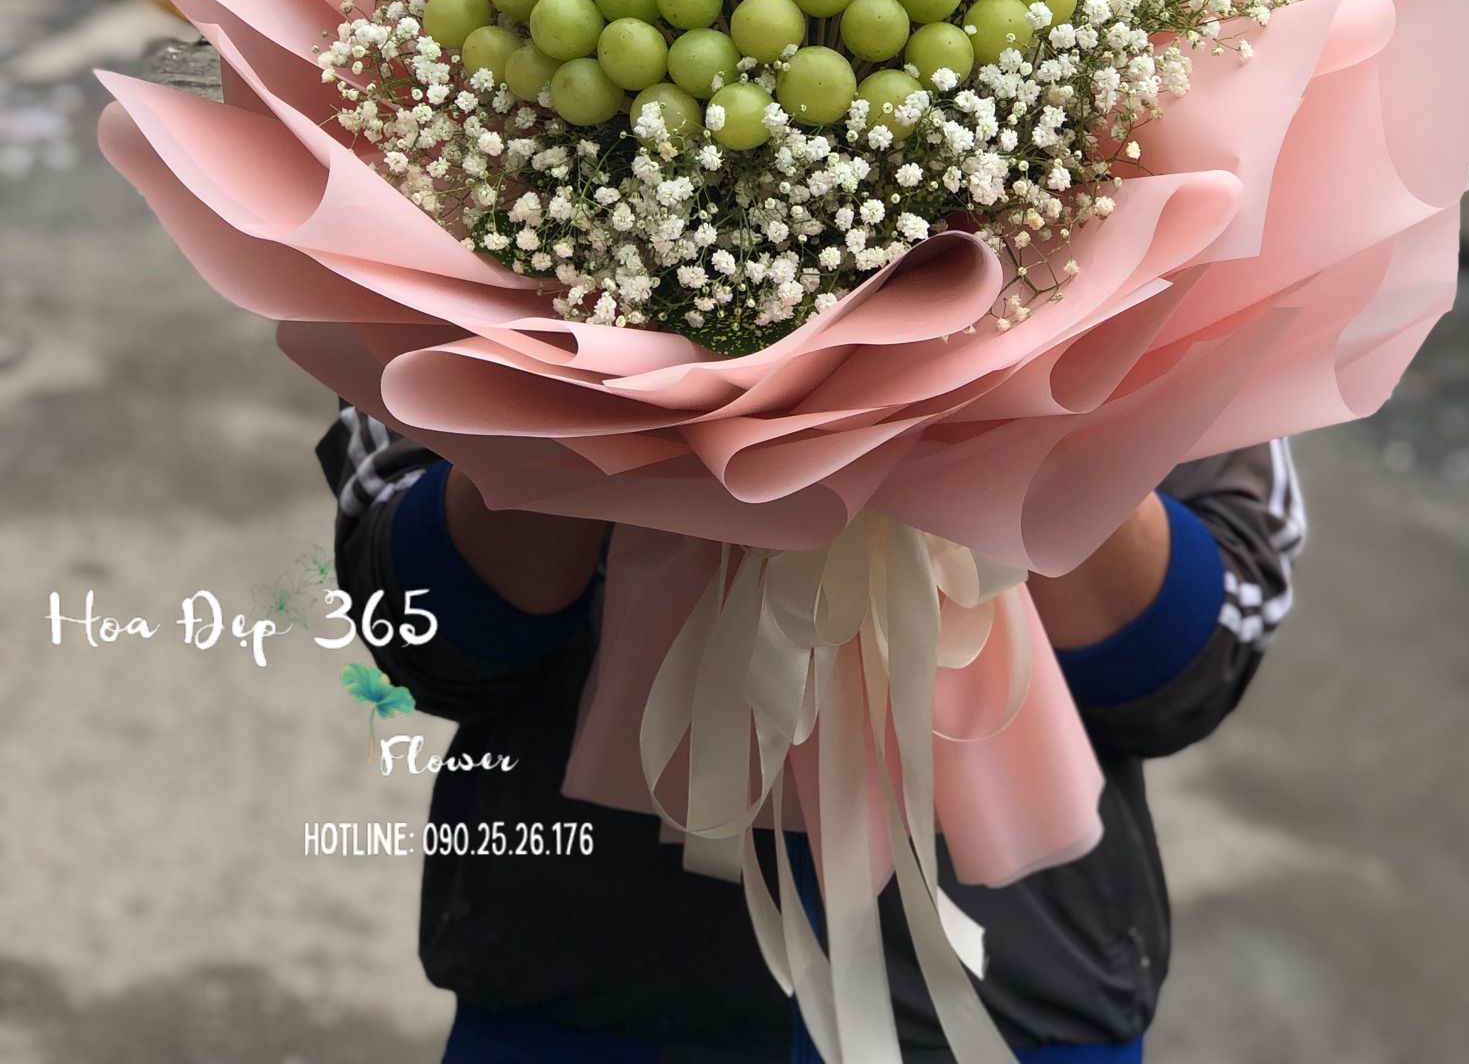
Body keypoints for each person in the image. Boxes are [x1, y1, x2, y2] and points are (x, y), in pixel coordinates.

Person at [319, 406, 1305, 1064]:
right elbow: (424, 627)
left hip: (1014, 1005)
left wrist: (1021, 406)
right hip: (588, 991)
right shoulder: (451, 162)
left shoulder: (1170, 170)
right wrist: (581, 392)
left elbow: (1195, 668)